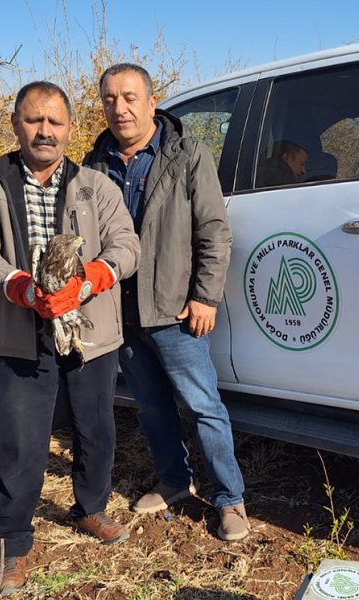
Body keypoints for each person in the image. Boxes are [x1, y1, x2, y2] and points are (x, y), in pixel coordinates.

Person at [0, 81, 140, 594]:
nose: (45, 131)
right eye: (34, 120)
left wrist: (92, 279)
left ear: (70, 129)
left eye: (55, 122)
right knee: (18, 441)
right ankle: (11, 544)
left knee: (95, 429)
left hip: (88, 333)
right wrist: (20, 287)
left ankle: (90, 508)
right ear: (15, 123)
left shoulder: (97, 187)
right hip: (18, 334)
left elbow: (127, 245)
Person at [83, 63, 249, 542]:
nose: (120, 108)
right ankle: (175, 481)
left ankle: (229, 499)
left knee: (203, 407)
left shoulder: (187, 155)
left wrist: (204, 296)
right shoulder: (95, 166)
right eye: (110, 98)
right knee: (152, 408)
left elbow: (214, 231)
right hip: (122, 312)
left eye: (130, 97)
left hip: (176, 311)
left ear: (152, 102)